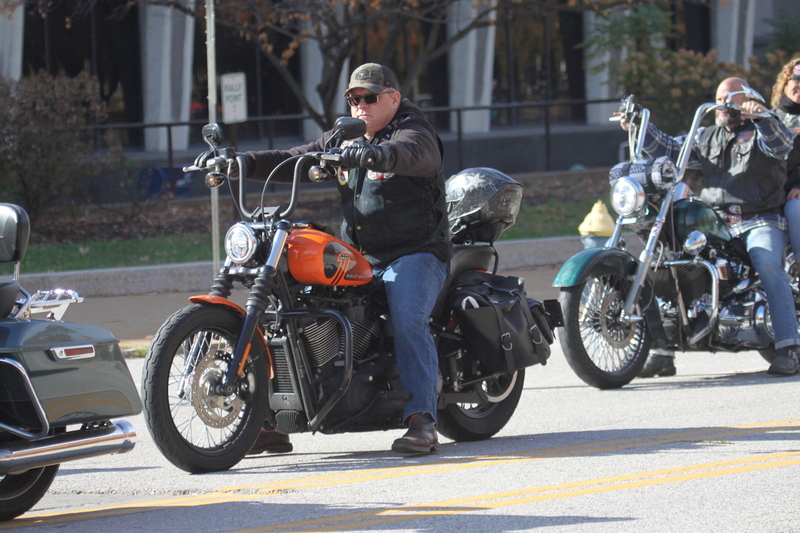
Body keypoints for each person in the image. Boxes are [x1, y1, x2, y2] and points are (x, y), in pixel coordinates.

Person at [206, 63, 451, 455]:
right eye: (354, 99)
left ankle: (422, 420)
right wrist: (242, 163)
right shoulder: (344, 136)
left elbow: (414, 154)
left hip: (416, 252)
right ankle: (270, 420)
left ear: (393, 98)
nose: (361, 106)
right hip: (362, 255)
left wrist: (377, 155)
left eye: (370, 98)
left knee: (408, 318)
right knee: (289, 309)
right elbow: (295, 157)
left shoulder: (413, 130)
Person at [619, 77, 800, 376]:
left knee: (768, 263)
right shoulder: (706, 136)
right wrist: (639, 125)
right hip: (717, 221)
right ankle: (663, 350)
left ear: (747, 101)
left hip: (760, 219)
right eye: (718, 97)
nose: (721, 103)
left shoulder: (765, 130)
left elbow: (781, 146)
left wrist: (763, 116)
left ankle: (789, 347)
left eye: (730, 97)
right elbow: (669, 148)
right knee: (670, 261)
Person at [771, 57, 800, 277]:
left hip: (794, 194)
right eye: (797, 77)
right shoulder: (767, 118)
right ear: (786, 81)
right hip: (767, 192)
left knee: (795, 208)